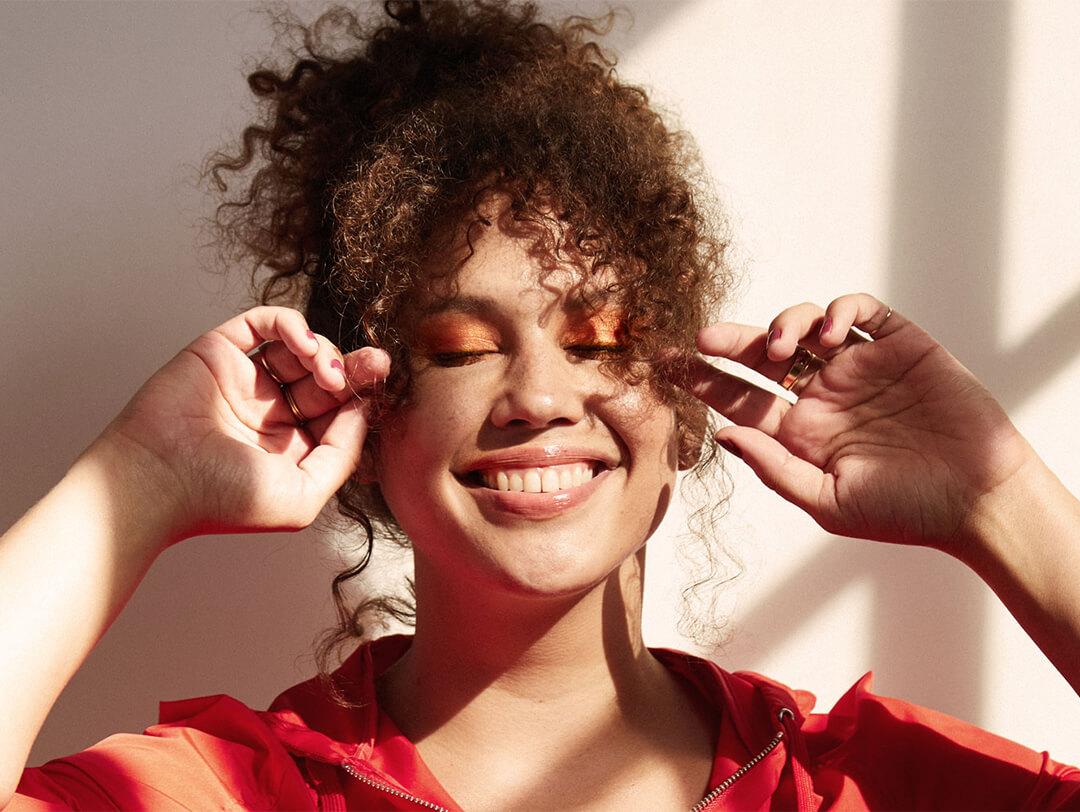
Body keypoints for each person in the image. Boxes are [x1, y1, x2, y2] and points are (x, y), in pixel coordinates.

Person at [3, 1, 1079, 809]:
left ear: (684, 398)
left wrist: (1003, 495)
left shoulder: (858, 784)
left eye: (599, 336)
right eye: (463, 347)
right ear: (369, 424)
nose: (537, 395)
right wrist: (137, 479)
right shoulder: (238, 790)